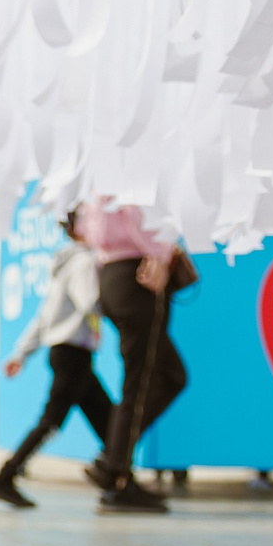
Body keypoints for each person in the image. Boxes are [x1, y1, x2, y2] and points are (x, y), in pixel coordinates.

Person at [0, 215, 114, 509]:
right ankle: (5, 476)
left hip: (69, 353)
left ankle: (116, 475)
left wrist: (21, 353)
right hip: (73, 353)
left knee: (107, 420)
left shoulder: (65, 264)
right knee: (52, 420)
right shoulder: (84, 263)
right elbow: (92, 303)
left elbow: (43, 317)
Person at [76, 199, 191, 515]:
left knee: (168, 376)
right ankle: (117, 477)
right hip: (138, 273)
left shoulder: (95, 179)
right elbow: (135, 211)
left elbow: (88, 226)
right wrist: (160, 255)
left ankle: (113, 461)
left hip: (114, 273)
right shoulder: (129, 169)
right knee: (140, 383)